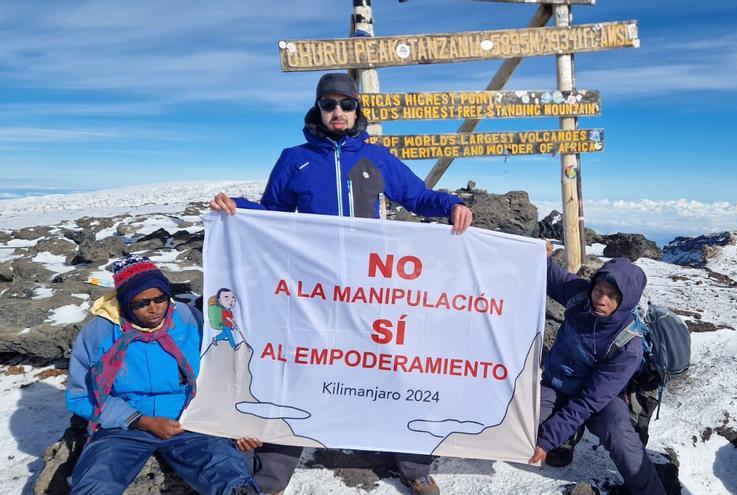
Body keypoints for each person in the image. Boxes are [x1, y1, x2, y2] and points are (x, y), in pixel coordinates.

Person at [210, 73, 473, 495]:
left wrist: (451, 204)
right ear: (318, 108)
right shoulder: (294, 158)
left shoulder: (378, 158)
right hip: (317, 289)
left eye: (346, 105)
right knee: (299, 368)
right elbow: (272, 214)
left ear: (357, 110)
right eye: (329, 104)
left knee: (390, 366)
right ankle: (272, 475)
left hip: (374, 287)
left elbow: (417, 196)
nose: (338, 112)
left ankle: (413, 464)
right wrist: (236, 208)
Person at [66, 255, 259, 495]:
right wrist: (141, 420)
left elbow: (223, 374)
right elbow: (81, 395)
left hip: (191, 421)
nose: (154, 308)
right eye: (141, 303)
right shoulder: (99, 332)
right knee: (95, 483)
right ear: (125, 302)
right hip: (123, 427)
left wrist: (236, 422)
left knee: (231, 479)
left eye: (161, 298)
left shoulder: (191, 320)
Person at [529, 249, 667, 495]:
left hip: (600, 400)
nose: (601, 300)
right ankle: (568, 434)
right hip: (556, 384)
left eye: (613, 296)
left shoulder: (628, 344)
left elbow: (588, 401)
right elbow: (551, 276)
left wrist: (547, 440)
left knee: (620, 434)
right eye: (599, 291)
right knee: (521, 420)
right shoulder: (580, 296)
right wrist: (542, 254)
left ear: (627, 301)